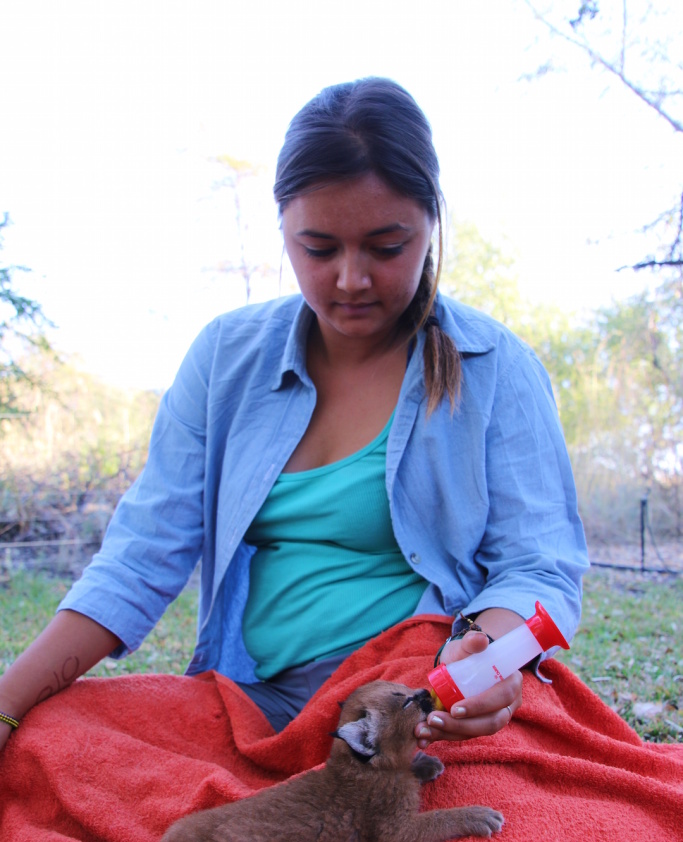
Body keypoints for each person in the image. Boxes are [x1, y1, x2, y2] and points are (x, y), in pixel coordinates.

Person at [0, 77, 589, 750]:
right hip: (252, 704)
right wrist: (8, 707)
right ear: (282, 228)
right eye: (318, 248)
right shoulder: (226, 359)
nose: (350, 279)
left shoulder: (495, 369)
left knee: (489, 837)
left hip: (413, 707)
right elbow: (140, 556)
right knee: (54, 746)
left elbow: (538, 562)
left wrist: (489, 658)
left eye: (385, 246)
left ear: (429, 224)